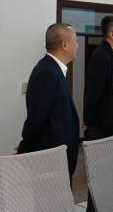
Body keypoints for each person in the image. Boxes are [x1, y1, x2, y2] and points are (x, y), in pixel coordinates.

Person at [18, 23, 80, 178]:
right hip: (50, 161)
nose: (77, 45)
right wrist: (25, 148)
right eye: (75, 41)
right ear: (64, 44)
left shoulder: (53, 69)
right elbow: (36, 118)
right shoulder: (47, 72)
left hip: (57, 159)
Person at [82, 15, 113, 212]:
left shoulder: (112, 55)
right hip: (102, 128)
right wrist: (88, 120)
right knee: (100, 176)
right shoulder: (101, 56)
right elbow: (93, 92)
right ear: (112, 34)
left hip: (111, 126)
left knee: (108, 175)